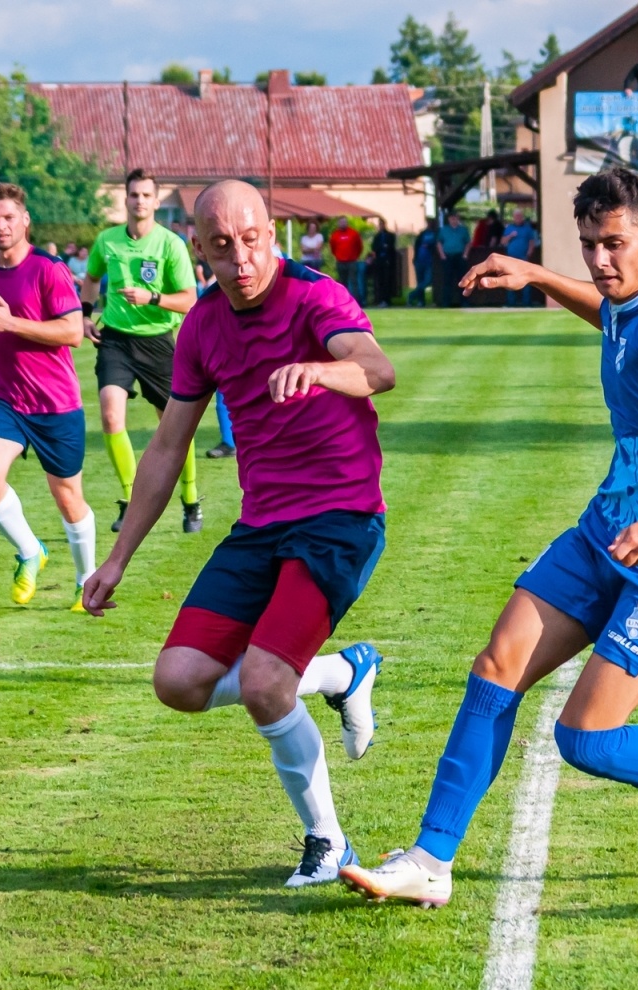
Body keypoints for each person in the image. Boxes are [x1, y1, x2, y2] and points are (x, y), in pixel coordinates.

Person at [340, 167, 638, 908]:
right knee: (497, 664)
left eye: (616, 244)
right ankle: (431, 861)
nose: (601, 260)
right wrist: (532, 273)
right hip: (603, 532)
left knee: (586, 740)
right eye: (590, 245)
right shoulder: (630, 305)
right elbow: (606, 312)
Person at [82, 180, 396, 887]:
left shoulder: (316, 297)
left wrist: (322, 371)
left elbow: (379, 369)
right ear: (199, 250)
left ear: (271, 232)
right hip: (261, 527)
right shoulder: (200, 327)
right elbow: (166, 449)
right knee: (179, 680)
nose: (242, 258)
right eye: (222, 246)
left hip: (340, 519)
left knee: (262, 682)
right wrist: (118, 558)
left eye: (252, 240)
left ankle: (328, 844)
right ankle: (343, 674)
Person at [0, 182, 95, 612]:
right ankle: (29, 551)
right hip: (5, 398)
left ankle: (86, 580)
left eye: (7, 218)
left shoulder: (49, 269)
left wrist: (11, 324)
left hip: (56, 403)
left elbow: (73, 332)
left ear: (25, 221)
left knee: (68, 498)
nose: (0, 226)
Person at [83, 168, 204, 535]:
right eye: (134, 194)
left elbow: (189, 300)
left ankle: (191, 499)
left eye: (146, 195)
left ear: (155, 200)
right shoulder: (107, 241)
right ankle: (129, 499)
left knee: (175, 428)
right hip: (116, 338)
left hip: (157, 341)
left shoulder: (170, 244)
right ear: (126, 199)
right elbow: (90, 279)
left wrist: (152, 297)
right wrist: (85, 316)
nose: (139, 201)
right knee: (109, 416)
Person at [501, 209, 539, 307]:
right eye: (516, 216)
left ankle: (527, 303)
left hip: (523, 257)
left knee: (525, 279)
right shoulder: (509, 228)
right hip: (511, 258)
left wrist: (529, 253)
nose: (518, 218)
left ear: (522, 217)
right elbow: (503, 241)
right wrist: (510, 236)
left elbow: (531, 242)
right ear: (513, 217)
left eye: (519, 216)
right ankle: (511, 303)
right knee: (510, 278)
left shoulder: (527, 228)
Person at [436, 211, 470, 308]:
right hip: (448, 257)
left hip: (460, 256)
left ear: (458, 219)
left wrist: (465, 255)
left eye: (455, 218)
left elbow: (468, 243)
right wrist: (442, 255)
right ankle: (446, 303)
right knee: (447, 281)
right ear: (449, 219)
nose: (453, 220)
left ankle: (464, 302)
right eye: (452, 218)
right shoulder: (444, 230)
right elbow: (439, 243)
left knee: (463, 280)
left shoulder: (463, 230)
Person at [329, 217, 364, 304]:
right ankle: (343, 302)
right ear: (338, 223)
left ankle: (356, 302)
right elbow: (333, 248)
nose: (343, 224)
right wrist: (338, 256)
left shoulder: (353, 233)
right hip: (340, 262)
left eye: (344, 222)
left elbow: (359, 246)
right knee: (342, 283)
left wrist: (355, 256)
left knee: (354, 282)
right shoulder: (335, 235)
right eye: (341, 222)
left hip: (352, 261)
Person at [368, 216, 399, 308]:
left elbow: (391, 246)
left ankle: (387, 299)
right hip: (379, 261)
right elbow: (374, 247)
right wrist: (381, 247)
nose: (381, 226)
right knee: (380, 281)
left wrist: (386, 247)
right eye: (379, 224)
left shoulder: (390, 235)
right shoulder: (377, 237)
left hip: (388, 260)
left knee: (387, 280)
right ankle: (381, 299)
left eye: (382, 224)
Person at [409, 218, 438, 307]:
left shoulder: (436, 234)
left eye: (430, 222)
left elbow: (436, 245)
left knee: (427, 280)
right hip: (419, 260)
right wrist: (415, 258)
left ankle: (412, 295)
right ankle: (421, 301)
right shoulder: (422, 234)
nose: (429, 224)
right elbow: (416, 246)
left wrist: (429, 246)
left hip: (429, 261)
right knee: (420, 280)